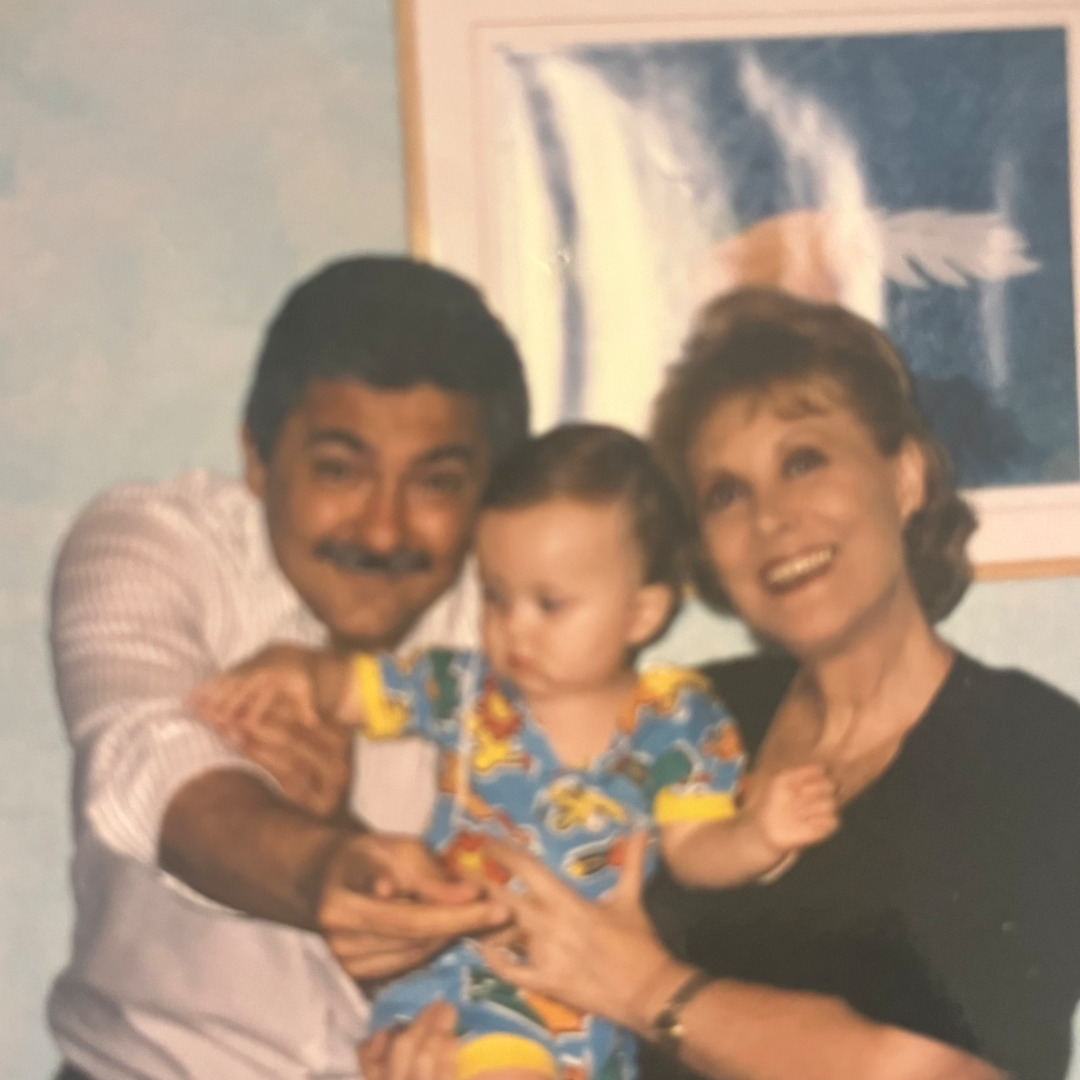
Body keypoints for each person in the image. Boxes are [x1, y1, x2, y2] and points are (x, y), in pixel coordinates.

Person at [361, 288, 1080, 1080]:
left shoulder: (1035, 749)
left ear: (905, 478)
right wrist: (426, 1032)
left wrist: (648, 989)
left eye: (803, 462)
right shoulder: (688, 711)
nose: (770, 518)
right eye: (726, 494)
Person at [190, 423, 841, 1080]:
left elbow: (696, 851)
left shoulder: (676, 720)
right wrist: (298, 671)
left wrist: (758, 835)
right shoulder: (467, 689)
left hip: (585, 1001)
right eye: (496, 597)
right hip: (456, 984)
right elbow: (356, 687)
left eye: (549, 604)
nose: (513, 628)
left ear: (642, 614)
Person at [47, 256, 530, 1080]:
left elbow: (519, 970)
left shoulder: (523, 634)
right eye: (340, 470)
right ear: (258, 458)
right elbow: (143, 762)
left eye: (436, 484)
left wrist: (341, 829)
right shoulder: (153, 545)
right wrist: (318, 868)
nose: (382, 530)